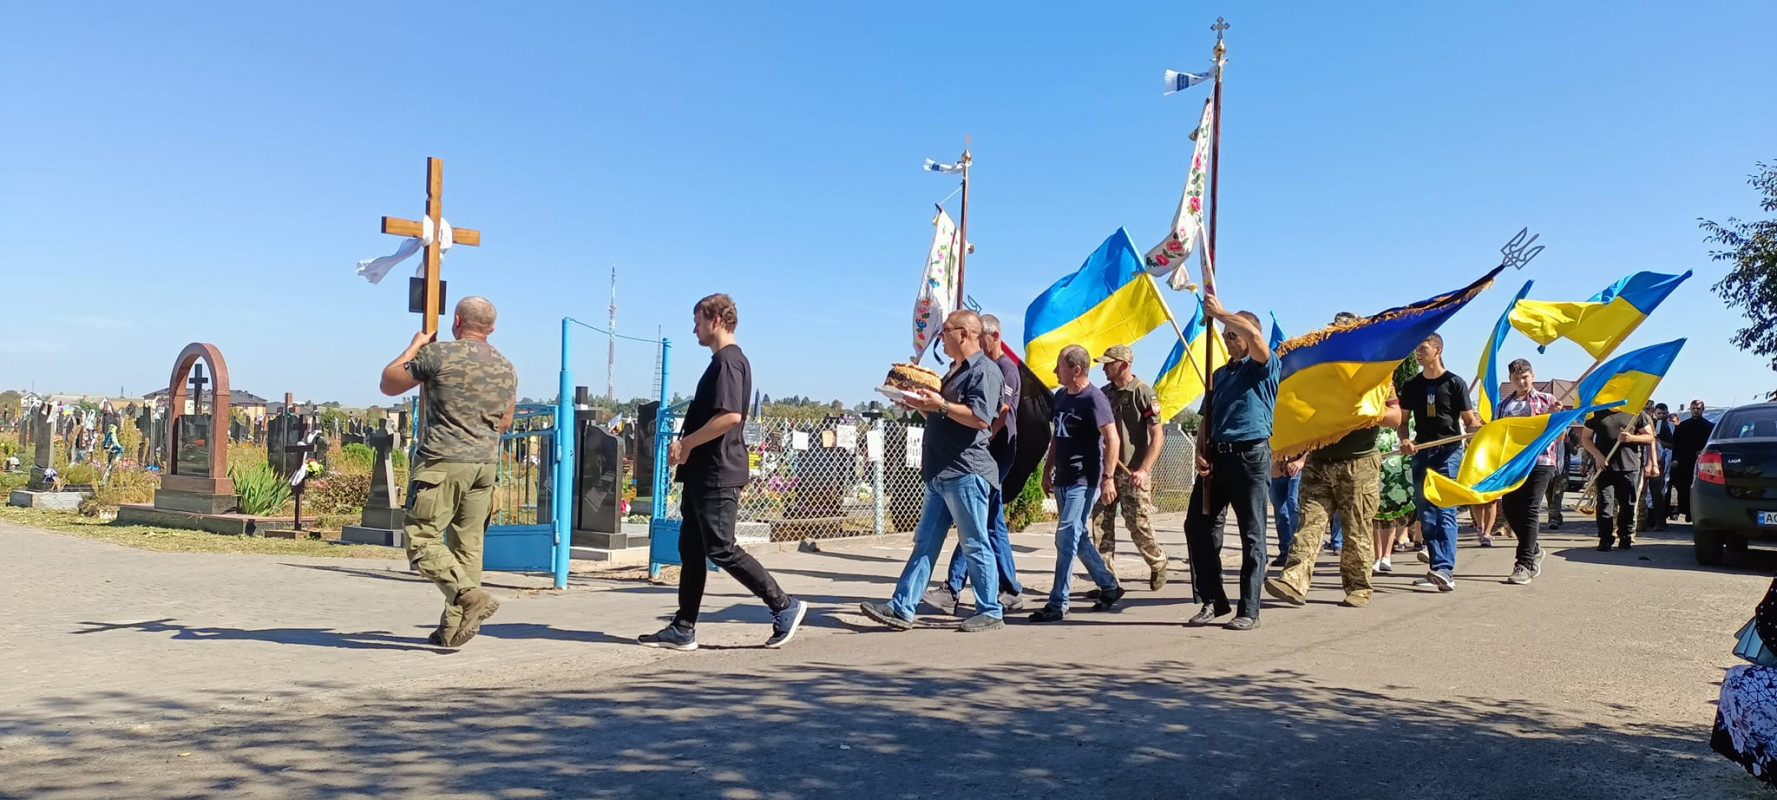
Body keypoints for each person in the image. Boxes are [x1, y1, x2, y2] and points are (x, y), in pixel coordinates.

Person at [642, 294, 807, 650]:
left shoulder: (729, 363)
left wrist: (686, 444)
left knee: (721, 548)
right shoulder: (723, 362)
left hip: (717, 472)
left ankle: (783, 604)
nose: (694, 328)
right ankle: (683, 627)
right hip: (703, 473)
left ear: (716, 319)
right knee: (691, 548)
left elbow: (730, 416)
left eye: (698, 320)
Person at [379, 297, 518, 649]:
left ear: (456, 321)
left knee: (421, 538)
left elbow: (390, 383)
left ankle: (469, 597)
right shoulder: (507, 367)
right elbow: (505, 422)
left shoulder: (439, 354)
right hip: (485, 466)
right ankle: (452, 630)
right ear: (492, 328)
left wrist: (414, 346)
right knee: (468, 546)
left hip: (441, 462)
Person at [860, 310, 1006, 633]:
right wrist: (919, 406)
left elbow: (980, 418)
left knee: (975, 542)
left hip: (967, 471)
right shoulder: (953, 372)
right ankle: (901, 608)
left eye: (946, 331)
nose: (941, 337)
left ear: (965, 334)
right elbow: (944, 417)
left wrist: (939, 405)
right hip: (941, 472)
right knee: (925, 542)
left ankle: (991, 609)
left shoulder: (985, 371)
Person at [1264, 312, 1403, 609]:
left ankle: (1359, 587)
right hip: (1319, 461)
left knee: (1356, 530)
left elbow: (1396, 416)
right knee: (1309, 524)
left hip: (1359, 463)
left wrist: (1370, 414)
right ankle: (1294, 580)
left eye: (1345, 333)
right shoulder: (1318, 376)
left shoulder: (1375, 376)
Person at [1183, 297, 1279, 631]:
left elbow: (1255, 340)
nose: (1227, 339)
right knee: (1197, 526)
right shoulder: (1220, 375)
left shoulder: (1263, 366)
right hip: (1218, 458)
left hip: (1249, 457)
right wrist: (1200, 450)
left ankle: (1249, 608)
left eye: (1232, 334)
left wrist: (1221, 312)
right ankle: (1213, 599)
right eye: (1224, 334)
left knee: (1252, 534)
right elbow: (1207, 419)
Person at [928, 314, 1026, 614]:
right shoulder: (980, 366)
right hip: (982, 453)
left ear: (994, 337)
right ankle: (1008, 588)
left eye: (982, 335)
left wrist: (978, 438)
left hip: (991, 453)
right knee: (988, 523)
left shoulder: (1003, 369)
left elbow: (998, 414)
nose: (977, 342)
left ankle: (958, 588)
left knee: (977, 526)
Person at [1030, 345, 1126, 622]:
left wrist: (1107, 479)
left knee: (1066, 536)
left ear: (1076, 369)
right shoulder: (1061, 397)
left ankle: (1057, 603)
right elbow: (1057, 437)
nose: (1054, 371)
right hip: (1063, 479)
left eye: (1058, 366)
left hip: (1085, 481)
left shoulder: (1094, 399)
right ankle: (1109, 585)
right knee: (1077, 536)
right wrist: (1048, 468)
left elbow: (1113, 439)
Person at [1398, 333, 1480, 592]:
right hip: (1422, 452)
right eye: (1416, 349)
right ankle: (1437, 568)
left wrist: (1480, 429)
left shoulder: (1455, 383)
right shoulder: (1411, 385)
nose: (1417, 353)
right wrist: (1404, 441)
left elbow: (1469, 422)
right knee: (1427, 514)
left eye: (1423, 348)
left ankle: (1446, 569)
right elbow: (1402, 424)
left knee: (1445, 511)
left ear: (1438, 350)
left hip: (1449, 452)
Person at [1091, 344, 1170, 590]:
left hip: (1133, 471)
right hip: (1108, 472)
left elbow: (1157, 436)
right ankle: (1108, 582)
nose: (1104, 368)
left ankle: (1157, 562)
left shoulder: (1143, 393)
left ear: (1124, 365)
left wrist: (1144, 469)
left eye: (1109, 363)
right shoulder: (1104, 394)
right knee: (1100, 524)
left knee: (1138, 525)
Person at [1495, 359, 1559, 585]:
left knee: (1531, 509)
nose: (1521, 382)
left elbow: (1560, 437)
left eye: (1525, 377)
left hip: (1540, 461)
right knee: (1512, 509)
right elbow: (1497, 435)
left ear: (1532, 376)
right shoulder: (1504, 406)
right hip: (1512, 464)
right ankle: (1534, 548)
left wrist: (1554, 419)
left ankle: (1523, 563)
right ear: (1510, 379)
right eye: (1516, 378)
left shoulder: (1547, 401)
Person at [1583, 404, 1658, 551]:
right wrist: (1597, 455)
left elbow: (1650, 437)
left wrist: (1631, 438)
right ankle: (1605, 538)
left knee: (1628, 504)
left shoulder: (1636, 412)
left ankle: (1625, 536)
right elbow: (1586, 438)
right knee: (1605, 503)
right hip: (1604, 467)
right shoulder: (1596, 414)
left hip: (1628, 466)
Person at [1372, 425, 1414, 573]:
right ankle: (1377, 557)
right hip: (1372, 465)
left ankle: (1386, 556)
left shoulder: (1402, 417)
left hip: (1394, 469)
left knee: (1390, 512)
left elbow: (1411, 436)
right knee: (1374, 515)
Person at [1671, 399, 1715, 522]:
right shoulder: (1682, 427)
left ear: (1703, 410)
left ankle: (1696, 512)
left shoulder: (1709, 427)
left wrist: (1702, 452)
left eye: (1698, 408)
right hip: (1684, 461)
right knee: (1683, 487)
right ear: (1690, 409)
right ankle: (1686, 511)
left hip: (1701, 461)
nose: (1695, 411)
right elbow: (1676, 445)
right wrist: (1675, 459)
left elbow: (1710, 444)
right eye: (1693, 408)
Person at [1266, 458, 1301, 568]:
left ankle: (1297, 551)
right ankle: (1285, 551)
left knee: (1293, 504)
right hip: (1276, 468)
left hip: (1297, 467)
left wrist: (1302, 461)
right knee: (1281, 512)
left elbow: (1311, 446)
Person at [1647, 402, 1676, 531]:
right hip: (1646, 460)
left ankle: (1660, 520)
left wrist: (1659, 441)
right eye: (1659, 413)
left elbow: (1672, 444)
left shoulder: (1669, 426)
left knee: (1658, 491)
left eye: (1664, 413)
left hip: (1661, 461)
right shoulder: (1648, 424)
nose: (1661, 416)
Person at [1545, 423, 1570, 530]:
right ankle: (1557, 516)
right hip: (1549, 467)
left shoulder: (1570, 431)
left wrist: (1569, 443)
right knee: (1549, 495)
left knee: (1557, 496)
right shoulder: (1547, 429)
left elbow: (1575, 450)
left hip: (1562, 469)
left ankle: (1553, 519)